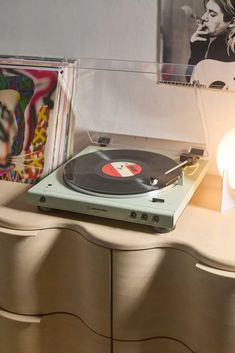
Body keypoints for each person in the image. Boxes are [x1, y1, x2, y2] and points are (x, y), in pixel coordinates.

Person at [188, 0, 235, 66]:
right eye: (206, 11)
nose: (203, 18)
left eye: (212, 15)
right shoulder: (218, 44)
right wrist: (198, 51)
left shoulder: (219, 46)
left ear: (232, 22)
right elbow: (195, 76)